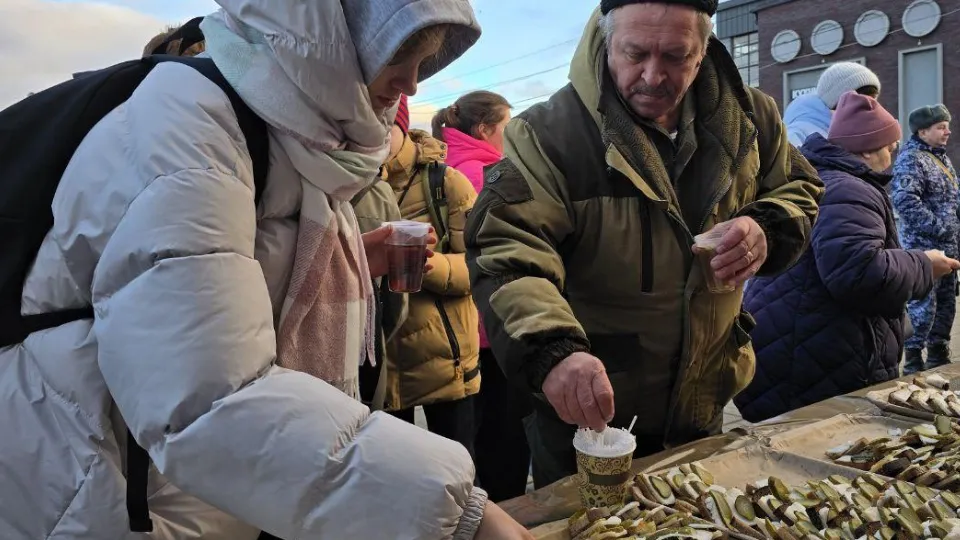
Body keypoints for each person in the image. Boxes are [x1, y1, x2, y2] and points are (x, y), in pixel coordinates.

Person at [0, 1, 535, 538]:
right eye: (397, 52)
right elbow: (207, 399)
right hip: (96, 480)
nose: (413, 84)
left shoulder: (302, 136)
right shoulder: (185, 128)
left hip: (195, 488)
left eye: (424, 62)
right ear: (324, 36)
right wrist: (461, 513)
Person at [465, 0, 823, 488]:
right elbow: (509, 253)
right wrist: (552, 351)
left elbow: (800, 189)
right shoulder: (548, 134)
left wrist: (765, 227)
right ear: (606, 41)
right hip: (586, 417)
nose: (653, 76)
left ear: (704, 50)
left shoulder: (751, 118)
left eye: (677, 57)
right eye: (635, 54)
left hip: (704, 401)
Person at [734, 92, 958, 422]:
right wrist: (925, 264)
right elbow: (858, 271)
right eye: (888, 147)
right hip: (812, 359)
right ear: (868, 148)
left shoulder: (828, 180)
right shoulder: (848, 189)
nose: (892, 155)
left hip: (802, 348)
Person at [434, 91, 532, 502]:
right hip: (494, 327)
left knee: (475, 438)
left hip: (462, 330)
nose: (508, 137)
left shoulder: (449, 166)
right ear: (484, 129)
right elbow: (505, 253)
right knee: (506, 440)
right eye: (505, 127)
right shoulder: (483, 174)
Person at [382, 96, 482, 459]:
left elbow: (482, 267)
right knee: (397, 482)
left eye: (385, 122)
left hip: (446, 366)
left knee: (456, 477)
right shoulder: (348, 185)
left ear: (402, 125)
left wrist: (429, 265)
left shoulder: (446, 184)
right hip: (382, 369)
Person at [893, 104, 958, 374]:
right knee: (922, 306)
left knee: (946, 303)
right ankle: (913, 359)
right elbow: (904, 200)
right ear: (922, 131)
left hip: (948, 249)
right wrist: (940, 228)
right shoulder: (911, 159)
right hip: (924, 250)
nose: (948, 131)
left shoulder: (941, 159)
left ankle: (937, 354)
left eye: (947, 126)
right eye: (941, 127)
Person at [783, 62, 881, 147]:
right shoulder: (797, 134)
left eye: (872, 102)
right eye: (861, 104)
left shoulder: (856, 131)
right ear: (836, 101)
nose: (869, 110)